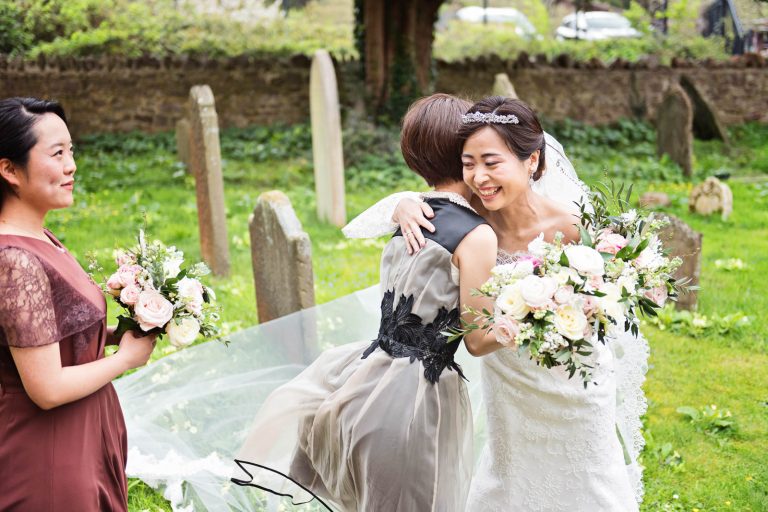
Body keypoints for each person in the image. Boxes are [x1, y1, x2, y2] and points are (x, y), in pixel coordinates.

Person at [346, 96, 646, 511]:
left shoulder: (573, 223)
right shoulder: (472, 221)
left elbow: (608, 290)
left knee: (591, 481)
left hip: (577, 379)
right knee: (514, 482)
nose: (480, 177)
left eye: (492, 162)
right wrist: (400, 204)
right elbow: (422, 202)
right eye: (469, 163)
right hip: (510, 381)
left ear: (532, 162)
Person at [229, 93, 499, 511]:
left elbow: (364, 224)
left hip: (363, 381)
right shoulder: (475, 235)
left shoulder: (412, 214)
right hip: (418, 401)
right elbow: (478, 340)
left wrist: (401, 203)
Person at [0, 97, 156, 511]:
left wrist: (113, 334)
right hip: (47, 455)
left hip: (81, 433)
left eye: (71, 151)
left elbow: (48, 336)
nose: (71, 166)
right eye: (57, 154)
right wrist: (126, 358)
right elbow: (46, 388)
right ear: (9, 170)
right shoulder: (14, 259)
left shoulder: (42, 237)